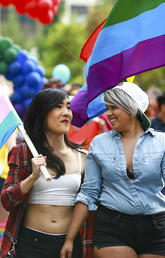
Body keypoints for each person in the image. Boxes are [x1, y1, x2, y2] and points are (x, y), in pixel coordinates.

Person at [61, 82, 165, 258]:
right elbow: (88, 193)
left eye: (114, 107)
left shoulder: (161, 142)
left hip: (156, 227)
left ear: (131, 108)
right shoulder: (99, 143)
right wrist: (70, 239)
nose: (108, 113)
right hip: (112, 227)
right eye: (107, 108)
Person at [0, 88, 87, 258]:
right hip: (31, 244)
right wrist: (32, 177)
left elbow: (87, 203)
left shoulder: (83, 156)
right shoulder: (23, 152)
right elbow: (7, 201)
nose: (66, 113)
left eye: (68, 107)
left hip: (69, 244)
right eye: (58, 107)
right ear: (42, 113)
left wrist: (70, 240)